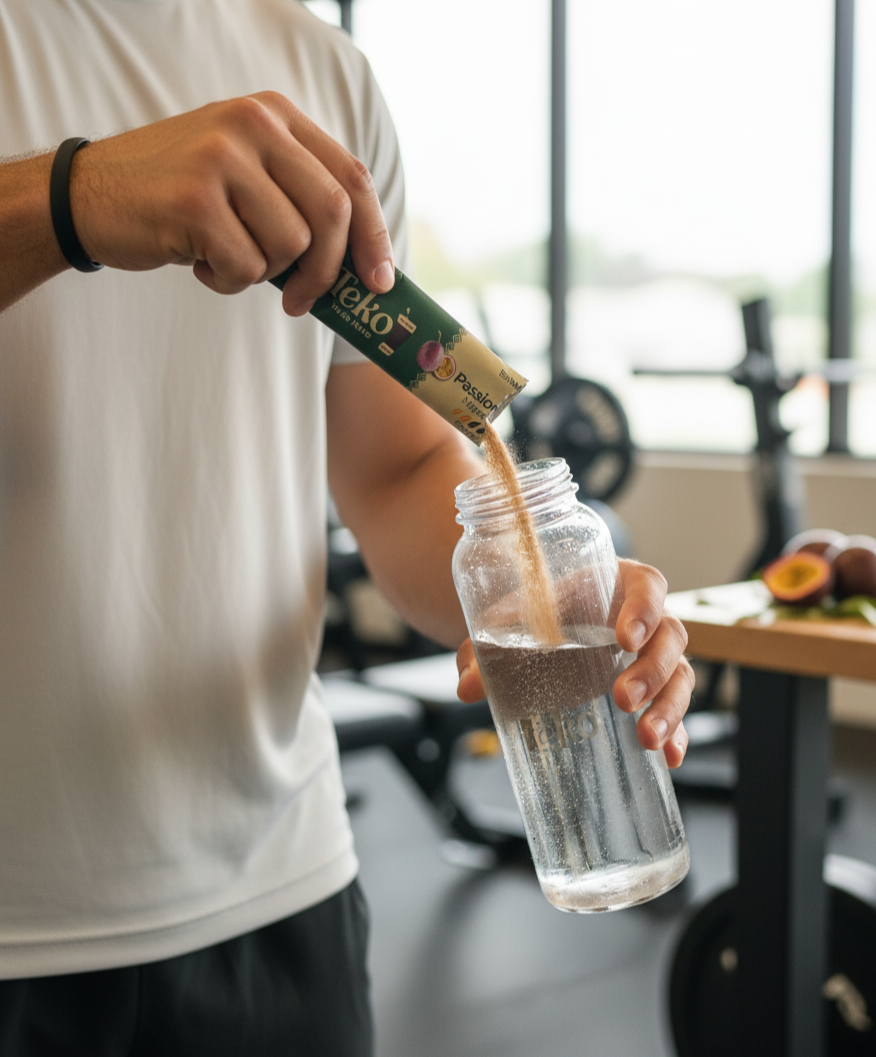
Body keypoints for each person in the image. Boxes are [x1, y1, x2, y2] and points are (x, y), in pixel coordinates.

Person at [0, 0, 693, 1052]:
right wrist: (70, 198)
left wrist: (528, 581)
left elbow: (400, 465)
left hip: (280, 899)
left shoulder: (322, 72)